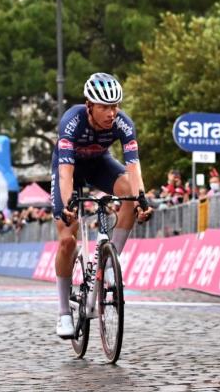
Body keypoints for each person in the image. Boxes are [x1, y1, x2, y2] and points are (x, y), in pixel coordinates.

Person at [51, 72, 153, 338]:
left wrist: (141, 198)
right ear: (89, 106)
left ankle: (108, 263)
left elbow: (133, 167)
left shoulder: (123, 123)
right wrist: (67, 203)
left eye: (115, 106)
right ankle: (63, 312)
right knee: (67, 240)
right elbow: (65, 172)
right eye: (104, 107)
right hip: (70, 169)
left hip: (99, 165)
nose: (111, 113)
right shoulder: (71, 122)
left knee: (130, 195)